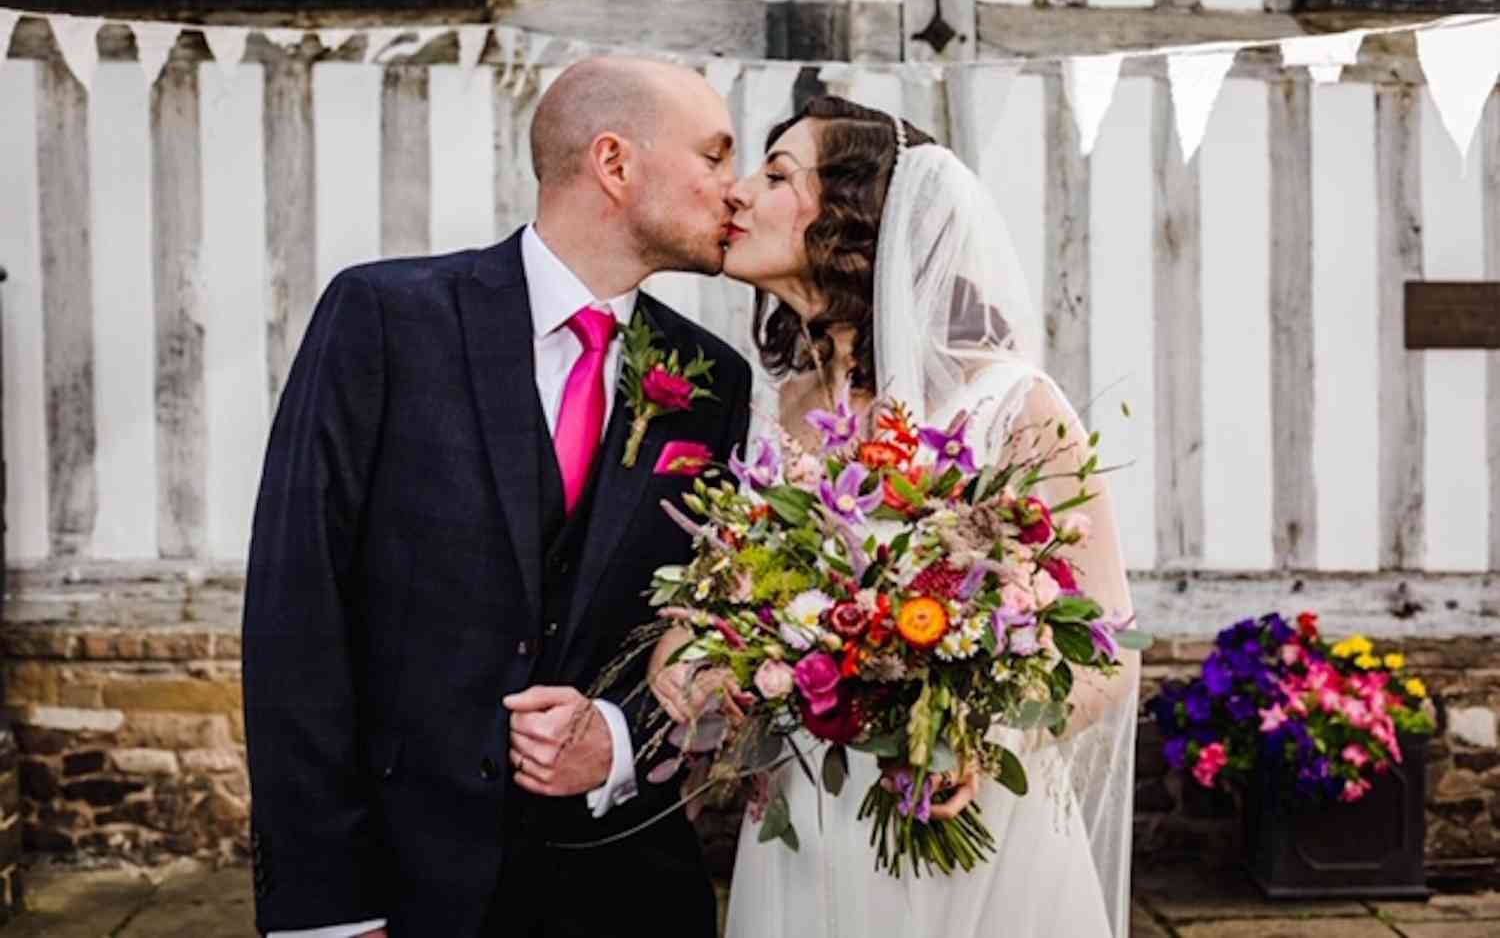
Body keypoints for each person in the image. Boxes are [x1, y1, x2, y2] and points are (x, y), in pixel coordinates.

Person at [242, 57, 751, 938]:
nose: (733, 191)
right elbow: (297, 608)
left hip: (626, 891)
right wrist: (325, 908)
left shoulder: (713, 381)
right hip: (410, 888)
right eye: (713, 157)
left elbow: (711, 618)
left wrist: (621, 743)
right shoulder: (384, 318)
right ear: (614, 163)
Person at [652, 96, 1140, 937]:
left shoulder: (1013, 405)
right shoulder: (779, 409)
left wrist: (976, 738)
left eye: (774, 175)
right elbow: (731, 591)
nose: (736, 194)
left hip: (962, 811)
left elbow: (1110, 648)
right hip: (809, 815)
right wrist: (691, 650)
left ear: (851, 218)